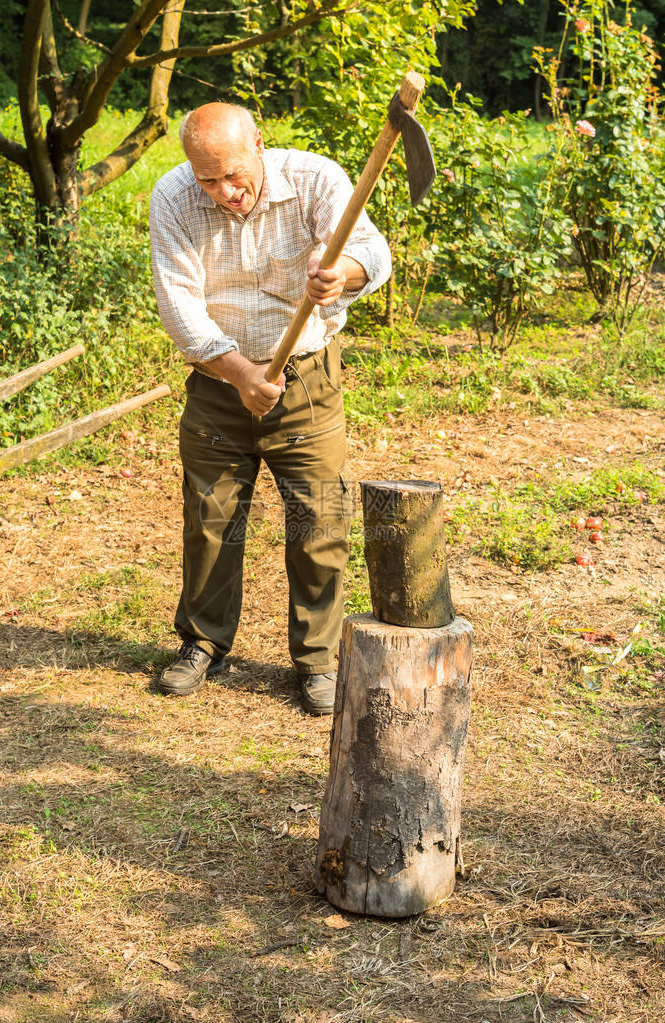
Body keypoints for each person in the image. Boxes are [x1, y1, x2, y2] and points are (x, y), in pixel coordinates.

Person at [149, 102, 391, 714]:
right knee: (211, 518)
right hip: (218, 385)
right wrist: (239, 374)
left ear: (259, 143)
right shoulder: (174, 198)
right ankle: (202, 644)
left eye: (233, 174)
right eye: (208, 179)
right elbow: (179, 304)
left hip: (307, 381)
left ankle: (316, 660)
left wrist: (344, 275)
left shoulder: (316, 180)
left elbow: (371, 251)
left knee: (319, 520)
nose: (225, 191)